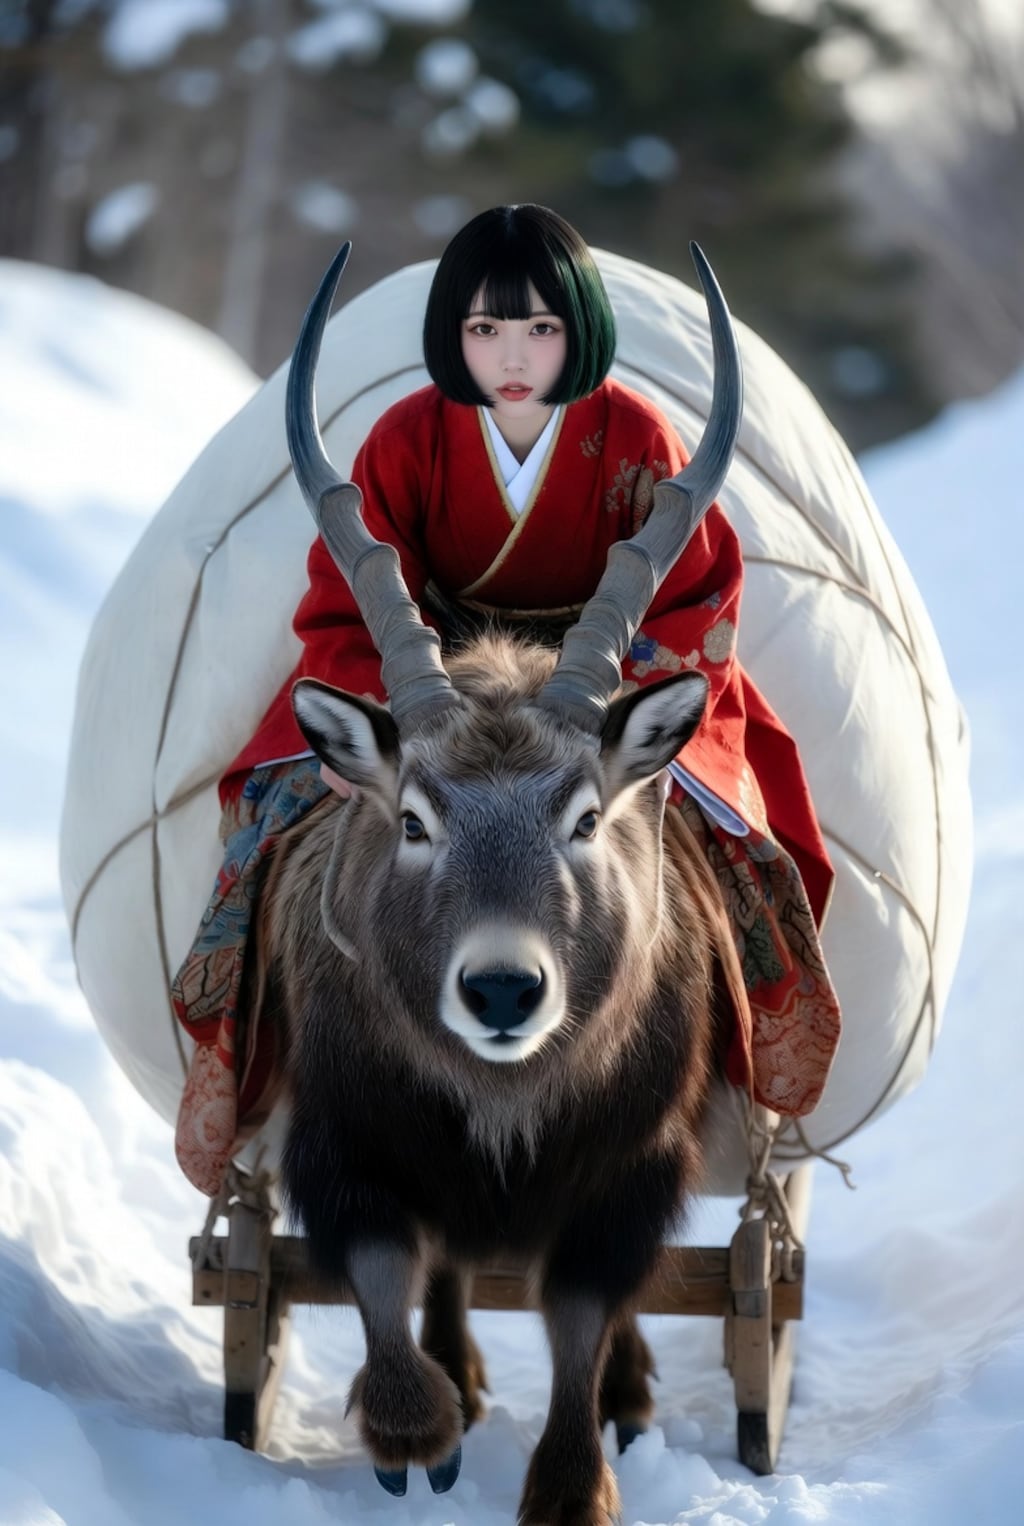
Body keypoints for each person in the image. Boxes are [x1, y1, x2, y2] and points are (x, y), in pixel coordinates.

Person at [171, 204, 842, 1196]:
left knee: (742, 845)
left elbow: (694, 592)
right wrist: (416, 703)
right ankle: (263, 1072)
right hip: (435, 695)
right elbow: (349, 595)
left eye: (540, 328)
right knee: (267, 837)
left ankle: (746, 1070)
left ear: (578, 333)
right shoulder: (406, 438)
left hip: (598, 692)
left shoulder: (635, 437)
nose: (513, 354)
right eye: (485, 329)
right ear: (453, 335)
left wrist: (610, 705)